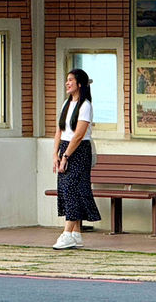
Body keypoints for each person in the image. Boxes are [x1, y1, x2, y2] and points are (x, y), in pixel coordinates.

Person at [52, 68, 101, 249]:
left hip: (78, 151)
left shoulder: (85, 105)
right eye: (67, 80)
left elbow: (79, 135)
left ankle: (66, 233)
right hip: (65, 148)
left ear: (79, 84)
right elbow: (60, 130)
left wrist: (66, 156)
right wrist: (55, 154)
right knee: (67, 190)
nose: (67, 83)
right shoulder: (66, 103)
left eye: (71, 80)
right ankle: (76, 234)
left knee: (73, 189)